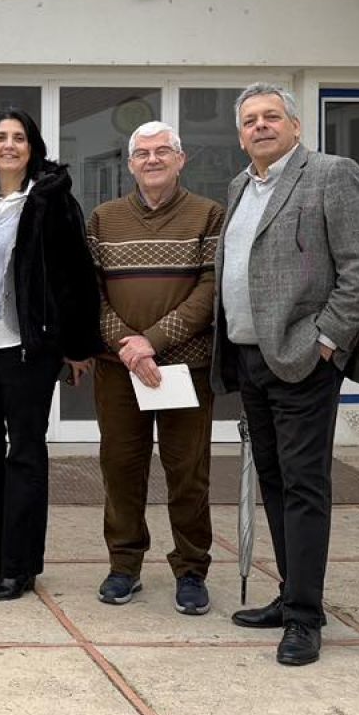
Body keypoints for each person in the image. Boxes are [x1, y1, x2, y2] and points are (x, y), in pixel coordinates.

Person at [213, 83, 359, 667]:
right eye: (250, 121)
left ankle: (306, 618)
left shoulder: (332, 174)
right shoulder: (240, 185)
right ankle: (290, 597)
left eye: (271, 117)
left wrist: (328, 341)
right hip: (250, 357)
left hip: (303, 358)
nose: (260, 127)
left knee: (306, 487)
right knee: (277, 482)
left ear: (296, 125)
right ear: (241, 136)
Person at [0, 108, 101, 602]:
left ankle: (21, 565)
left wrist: (77, 345)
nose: (8, 145)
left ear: (31, 147)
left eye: (18, 138)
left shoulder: (51, 200)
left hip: (28, 345)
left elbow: (76, 274)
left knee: (26, 453)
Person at [86, 121, 225, 614]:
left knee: (188, 473)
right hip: (119, 369)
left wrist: (153, 342)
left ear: (180, 159)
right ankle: (124, 566)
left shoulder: (209, 215)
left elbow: (210, 292)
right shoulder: (103, 219)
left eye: (162, 151)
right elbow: (91, 292)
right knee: (121, 470)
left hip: (182, 369)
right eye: (142, 153)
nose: (152, 160)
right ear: (130, 163)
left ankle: (191, 569)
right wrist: (128, 345)